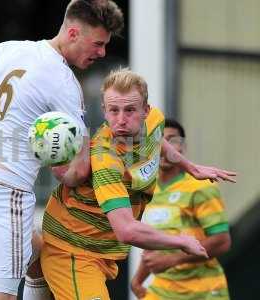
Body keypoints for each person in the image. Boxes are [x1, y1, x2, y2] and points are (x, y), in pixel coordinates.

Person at [0, 1, 125, 299]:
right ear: (74, 33)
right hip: (6, 193)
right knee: (1, 296)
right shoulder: (63, 82)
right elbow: (76, 172)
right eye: (98, 44)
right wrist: (76, 163)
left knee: (40, 255)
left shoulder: (15, 48)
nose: (102, 52)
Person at [38, 68, 236, 300]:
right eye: (114, 110)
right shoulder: (106, 159)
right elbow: (127, 231)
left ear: (146, 111)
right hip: (71, 249)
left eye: (130, 110)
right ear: (104, 111)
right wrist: (180, 242)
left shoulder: (155, 121)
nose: (121, 120)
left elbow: (157, 139)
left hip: (102, 249)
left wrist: (191, 167)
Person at [131, 119, 231, 300]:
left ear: (182, 148)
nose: (165, 146)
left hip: (203, 292)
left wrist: (173, 259)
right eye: (160, 140)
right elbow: (153, 243)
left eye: (172, 140)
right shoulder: (146, 190)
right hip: (163, 291)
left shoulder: (200, 187)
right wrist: (137, 280)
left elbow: (222, 241)